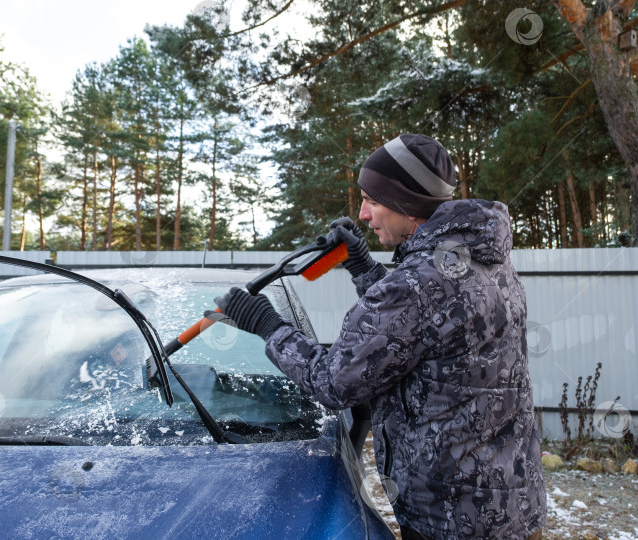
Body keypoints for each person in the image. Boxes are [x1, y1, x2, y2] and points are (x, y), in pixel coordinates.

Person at [210, 134, 546, 539]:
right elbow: (424, 322)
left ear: (408, 204)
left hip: (451, 517)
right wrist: (364, 268)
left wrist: (267, 325)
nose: (365, 215)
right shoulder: (481, 260)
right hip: (509, 501)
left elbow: (335, 382)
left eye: (372, 199)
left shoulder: (418, 283)